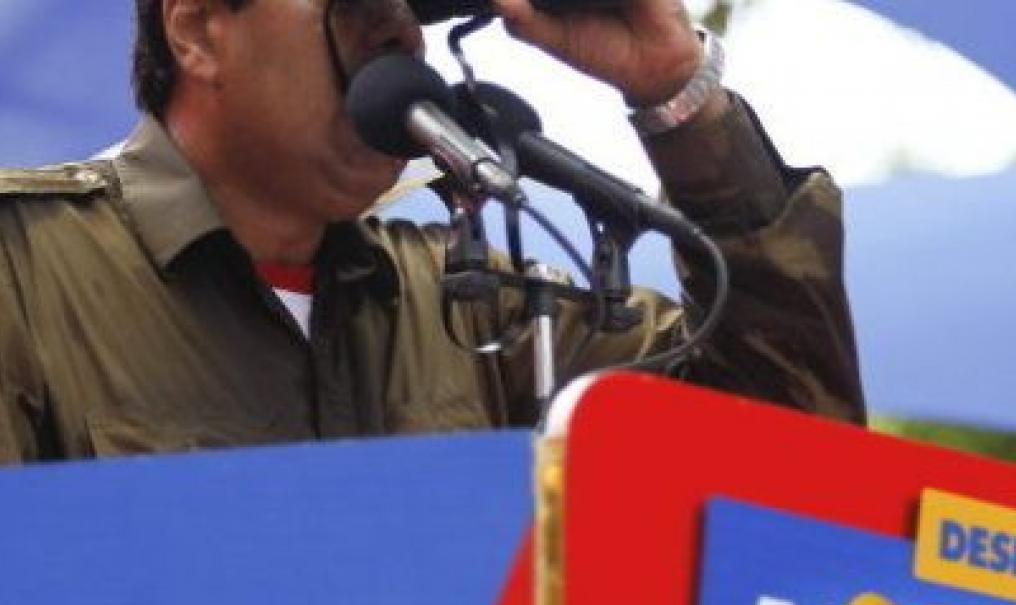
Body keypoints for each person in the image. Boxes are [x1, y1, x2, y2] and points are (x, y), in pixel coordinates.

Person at [0, 0, 865, 463]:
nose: (398, 33)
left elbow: (793, 462)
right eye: (353, 5)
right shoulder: (25, 270)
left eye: (415, 8)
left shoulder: (483, 310)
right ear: (196, 31)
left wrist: (675, 93)